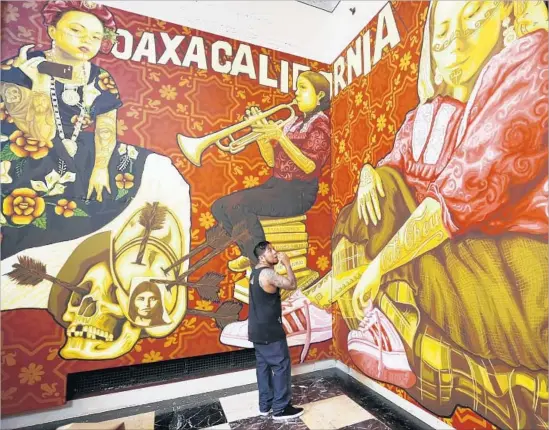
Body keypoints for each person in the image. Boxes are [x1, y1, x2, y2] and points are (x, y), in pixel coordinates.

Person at [330, 1, 548, 428]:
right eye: (444, 35)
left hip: (523, 279)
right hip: (490, 258)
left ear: (507, 13)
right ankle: (343, 301)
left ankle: (358, 304)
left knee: (398, 209)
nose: (458, 45)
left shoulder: (530, 58)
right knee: (384, 192)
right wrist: (367, 173)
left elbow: (459, 195)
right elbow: (400, 171)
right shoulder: (434, 112)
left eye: (475, 17)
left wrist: (379, 267)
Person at [0, 1, 155, 258]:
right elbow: (40, 135)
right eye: (76, 30)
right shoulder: (19, 66)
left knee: (144, 166)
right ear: (52, 31)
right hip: (21, 153)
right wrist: (39, 84)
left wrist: (100, 168)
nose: (87, 40)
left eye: (95, 36)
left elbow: (106, 127)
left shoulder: (99, 76)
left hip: (68, 147)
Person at [211, 71, 331, 271]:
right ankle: (249, 252)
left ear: (319, 96)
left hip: (297, 193)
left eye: (303, 87)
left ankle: (262, 261)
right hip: (276, 185)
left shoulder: (321, 125)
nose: (297, 93)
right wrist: (261, 134)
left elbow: (310, 166)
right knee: (220, 206)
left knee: (238, 206)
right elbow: (271, 161)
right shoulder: (293, 122)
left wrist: (281, 138)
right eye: (297, 87)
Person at [248, 241, 304, 420]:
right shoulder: (268, 273)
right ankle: (281, 409)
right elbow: (291, 284)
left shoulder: (254, 272)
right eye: (271, 250)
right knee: (281, 367)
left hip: (256, 329)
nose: (275, 252)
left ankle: (265, 405)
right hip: (270, 330)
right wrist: (287, 264)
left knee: (263, 368)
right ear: (262, 256)